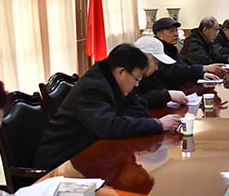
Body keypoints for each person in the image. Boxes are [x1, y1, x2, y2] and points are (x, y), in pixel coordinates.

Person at [35, 44, 182, 170]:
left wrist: (129, 121)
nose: (137, 84)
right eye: (136, 78)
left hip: (92, 154)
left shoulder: (113, 79)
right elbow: (110, 127)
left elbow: (139, 107)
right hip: (61, 164)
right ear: (121, 72)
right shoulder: (92, 88)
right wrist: (158, 124)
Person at [134, 36, 217, 109]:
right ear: (143, 57)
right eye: (156, 62)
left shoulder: (147, 76)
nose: (157, 68)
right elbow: (135, 102)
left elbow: (159, 86)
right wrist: (166, 95)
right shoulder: (129, 77)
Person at [152, 17, 224, 88]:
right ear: (159, 35)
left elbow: (183, 67)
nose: (176, 34)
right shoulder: (156, 50)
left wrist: (202, 75)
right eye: (171, 31)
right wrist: (203, 69)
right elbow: (173, 70)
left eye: (176, 30)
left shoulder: (171, 47)